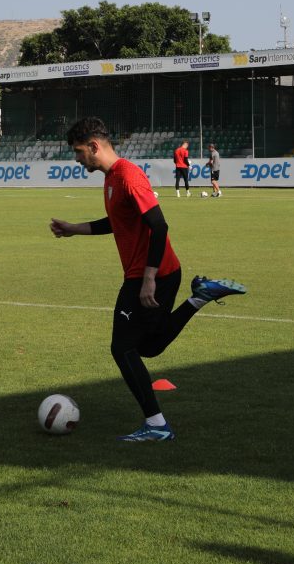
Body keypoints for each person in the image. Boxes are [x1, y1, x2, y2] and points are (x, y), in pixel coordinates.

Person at [50, 117, 247, 442]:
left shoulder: (128, 176)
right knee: (150, 346)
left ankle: (156, 425)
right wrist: (74, 229)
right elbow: (117, 223)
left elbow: (159, 226)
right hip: (152, 273)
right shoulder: (112, 178)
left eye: (78, 151)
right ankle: (201, 296)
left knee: (122, 348)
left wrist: (149, 279)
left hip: (151, 273)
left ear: (94, 146)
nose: (77, 158)